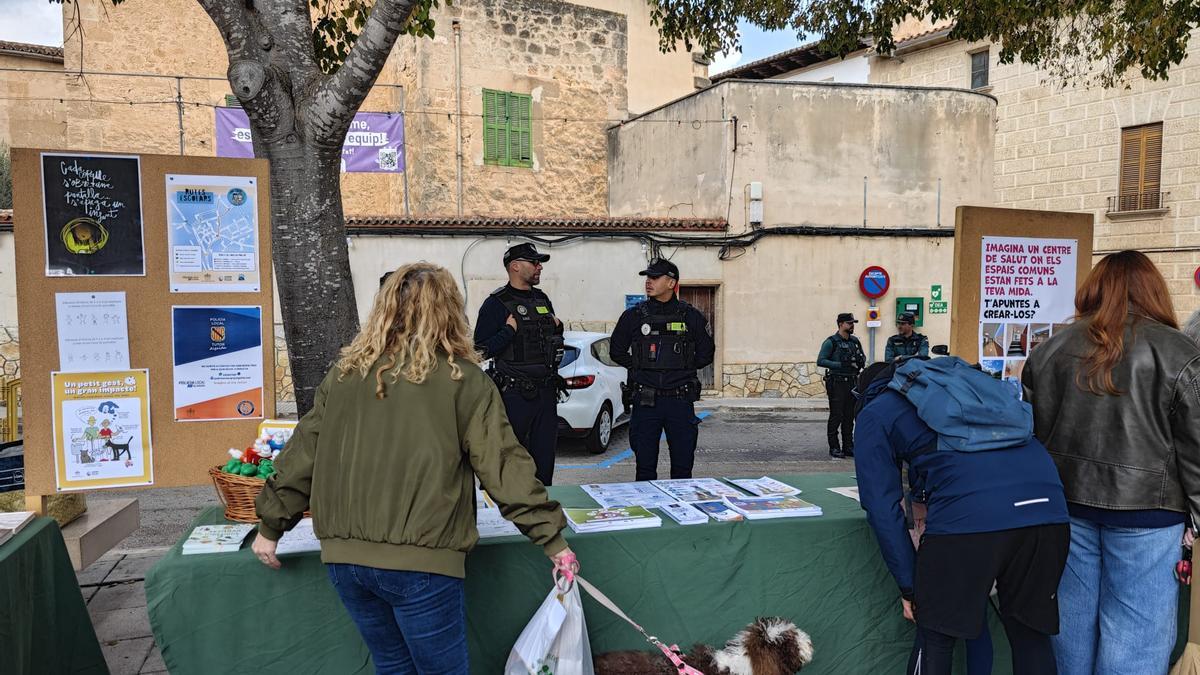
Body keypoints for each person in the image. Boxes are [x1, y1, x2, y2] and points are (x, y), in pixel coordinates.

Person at [252, 263, 577, 674]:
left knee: (393, 665)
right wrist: (553, 541)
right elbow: (502, 466)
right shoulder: (465, 379)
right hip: (421, 562)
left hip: (345, 560)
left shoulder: (345, 374)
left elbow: (302, 454)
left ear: (384, 311)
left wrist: (270, 526)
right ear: (449, 313)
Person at [1021, 250, 1200, 675]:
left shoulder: (1049, 350)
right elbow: (1196, 447)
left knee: (1071, 629)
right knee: (1136, 637)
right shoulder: (1180, 352)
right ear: (1154, 290)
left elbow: (1031, 436)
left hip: (1066, 507)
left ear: (1092, 289)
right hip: (1151, 513)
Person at [853, 360, 1070, 675]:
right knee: (1030, 634)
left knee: (936, 637)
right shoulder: (963, 385)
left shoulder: (876, 412)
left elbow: (882, 508)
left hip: (970, 518)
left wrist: (910, 587)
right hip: (1048, 510)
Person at [611, 258, 715, 481]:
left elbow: (706, 354)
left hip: (680, 400)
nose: (648, 282)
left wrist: (681, 367)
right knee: (645, 470)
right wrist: (640, 366)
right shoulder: (633, 316)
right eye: (647, 278)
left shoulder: (691, 316)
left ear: (671, 283)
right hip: (646, 401)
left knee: (682, 469)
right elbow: (616, 351)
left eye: (654, 278)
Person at [473, 243, 565, 486]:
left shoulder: (542, 298)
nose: (539, 267)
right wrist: (507, 332)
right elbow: (478, 351)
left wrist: (559, 327)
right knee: (508, 463)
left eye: (539, 262)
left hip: (545, 394)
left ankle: (543, 516)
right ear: (514, 266)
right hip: (514, 396)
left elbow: (553, 340)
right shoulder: (496, 303)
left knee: (544, 465)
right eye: (534, 262)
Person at [817, 313, 865, 458]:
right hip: (837, 382)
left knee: (849, 417)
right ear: (841, 324)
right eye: (849, 323)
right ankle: (834, 447)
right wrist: (840, 364)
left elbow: (862, 357)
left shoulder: (855, 341)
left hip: (851, 382)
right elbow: (821, 360)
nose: (852, 326)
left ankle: (848, 446)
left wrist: (860, 361)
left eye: (853, 323)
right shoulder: (831, 342)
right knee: (836, 415)